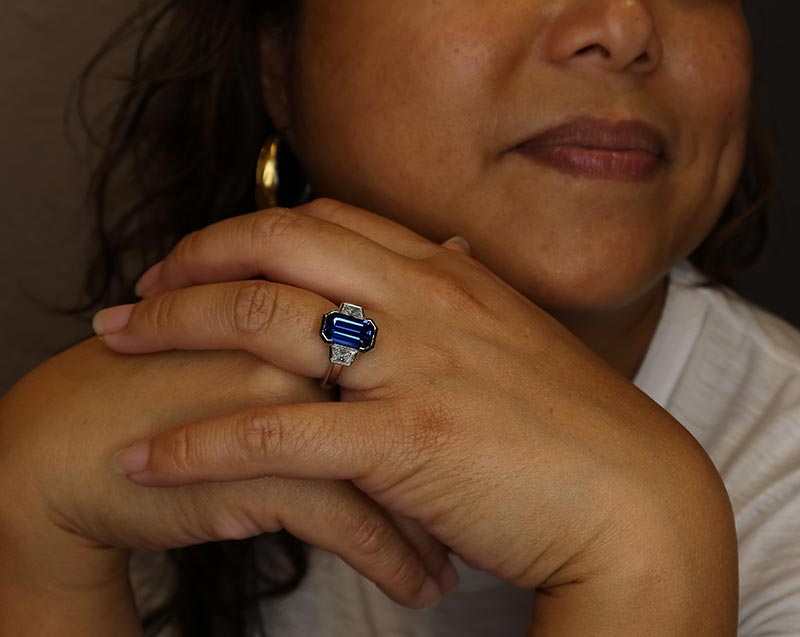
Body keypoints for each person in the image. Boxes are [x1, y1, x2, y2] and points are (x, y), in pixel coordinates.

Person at [1, 0, 798, 635]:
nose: (624, 27)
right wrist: (35, 543)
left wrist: (649, 555)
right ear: (279, 63)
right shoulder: (122, 449)